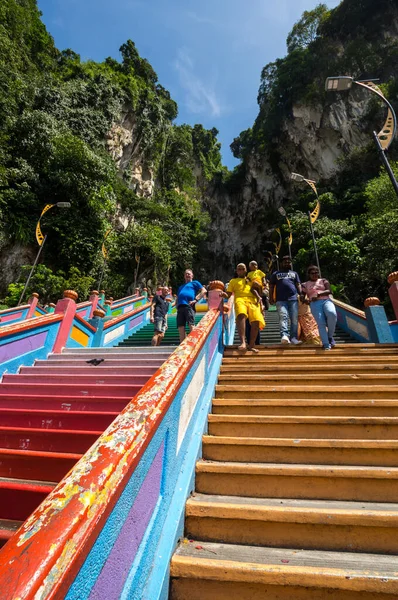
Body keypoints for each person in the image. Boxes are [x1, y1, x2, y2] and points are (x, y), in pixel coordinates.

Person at [221, 263, 265, 353]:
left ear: (246, 270)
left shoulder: (251, 280)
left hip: (252, 300)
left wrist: (259, 286)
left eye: (242, 269)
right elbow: (228, 295)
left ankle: (251, 345)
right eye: (239, 269)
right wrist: (223, 294)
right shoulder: (233, 281)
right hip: (240, 299)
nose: (241, 271)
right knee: (241, 315)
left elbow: (259, 293)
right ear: (236, 271)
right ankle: (243, 342)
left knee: (256, 320)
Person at [302, 265, 337, 350]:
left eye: (316, 273)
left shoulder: (323, 280)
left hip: (326, 300)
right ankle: (326, 344)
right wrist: (305, 300)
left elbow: (329, 291)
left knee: (332, 314)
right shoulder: (305, 284)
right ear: (309, 274)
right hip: (315, 304)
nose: (314, 274)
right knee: (321, 323)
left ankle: (330, 336)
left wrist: (318, 294)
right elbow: (302, 296)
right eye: (312, 273)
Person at [269, 255, 302, 345]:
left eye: (289, 262)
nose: (287, 263)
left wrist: (301, 293)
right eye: (285, 262)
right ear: (281, 263)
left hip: (293, 299)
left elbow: (298, 284)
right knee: (283, 317)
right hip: (280, 300)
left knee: (294, 319)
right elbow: (271, 286)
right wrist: (271, 297)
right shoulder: (276, 274)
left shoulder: (294, 273)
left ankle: (294, 337)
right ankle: (284, 336)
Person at [176, 269, 206, 343]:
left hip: (189, 306)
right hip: (180, 307)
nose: (187, 275)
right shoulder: (181, 287)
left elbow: (204, 290)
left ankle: (194, 342)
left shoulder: (194, 283)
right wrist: (177, 305)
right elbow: (177, 297)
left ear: (192, 275)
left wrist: (196, 299)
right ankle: (182, 344)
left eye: (189, 274)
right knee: (180, 327)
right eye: (186, 274)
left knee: (191, 324)